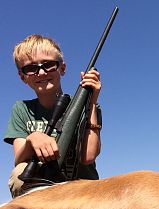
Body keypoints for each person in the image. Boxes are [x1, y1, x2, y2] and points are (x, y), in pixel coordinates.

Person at [4, 34, 102, 198]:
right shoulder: (21, 108)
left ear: (62, 68)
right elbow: (19, 160)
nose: (41, 72)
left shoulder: (90, 106)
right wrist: (33, 138)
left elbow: (88, 156)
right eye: (31, 68)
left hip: (83, 192)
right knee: (19, 173)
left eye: (48, 65)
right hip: (45, 190)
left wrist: (91, 102)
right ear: (22, 76)